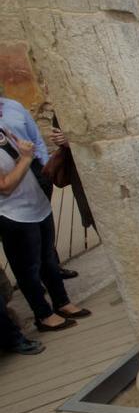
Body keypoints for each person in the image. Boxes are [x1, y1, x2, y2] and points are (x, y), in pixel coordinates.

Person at [0, 128, 90, 332]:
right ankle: (43, 315)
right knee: (28, 269)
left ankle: (62, 302)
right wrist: (25, 158)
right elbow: (4, 186)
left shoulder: (3, 131)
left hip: (36, 206)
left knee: (48, 259)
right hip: (12, 215)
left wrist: (24, 158)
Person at [0, 88, 78, 279]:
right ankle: (35, 279)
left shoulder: (14, 107)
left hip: (34, 170)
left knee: (44, 222)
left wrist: (44, 164)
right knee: (22, 232)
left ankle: (53, 267)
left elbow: (35, 136)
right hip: (8, 178)